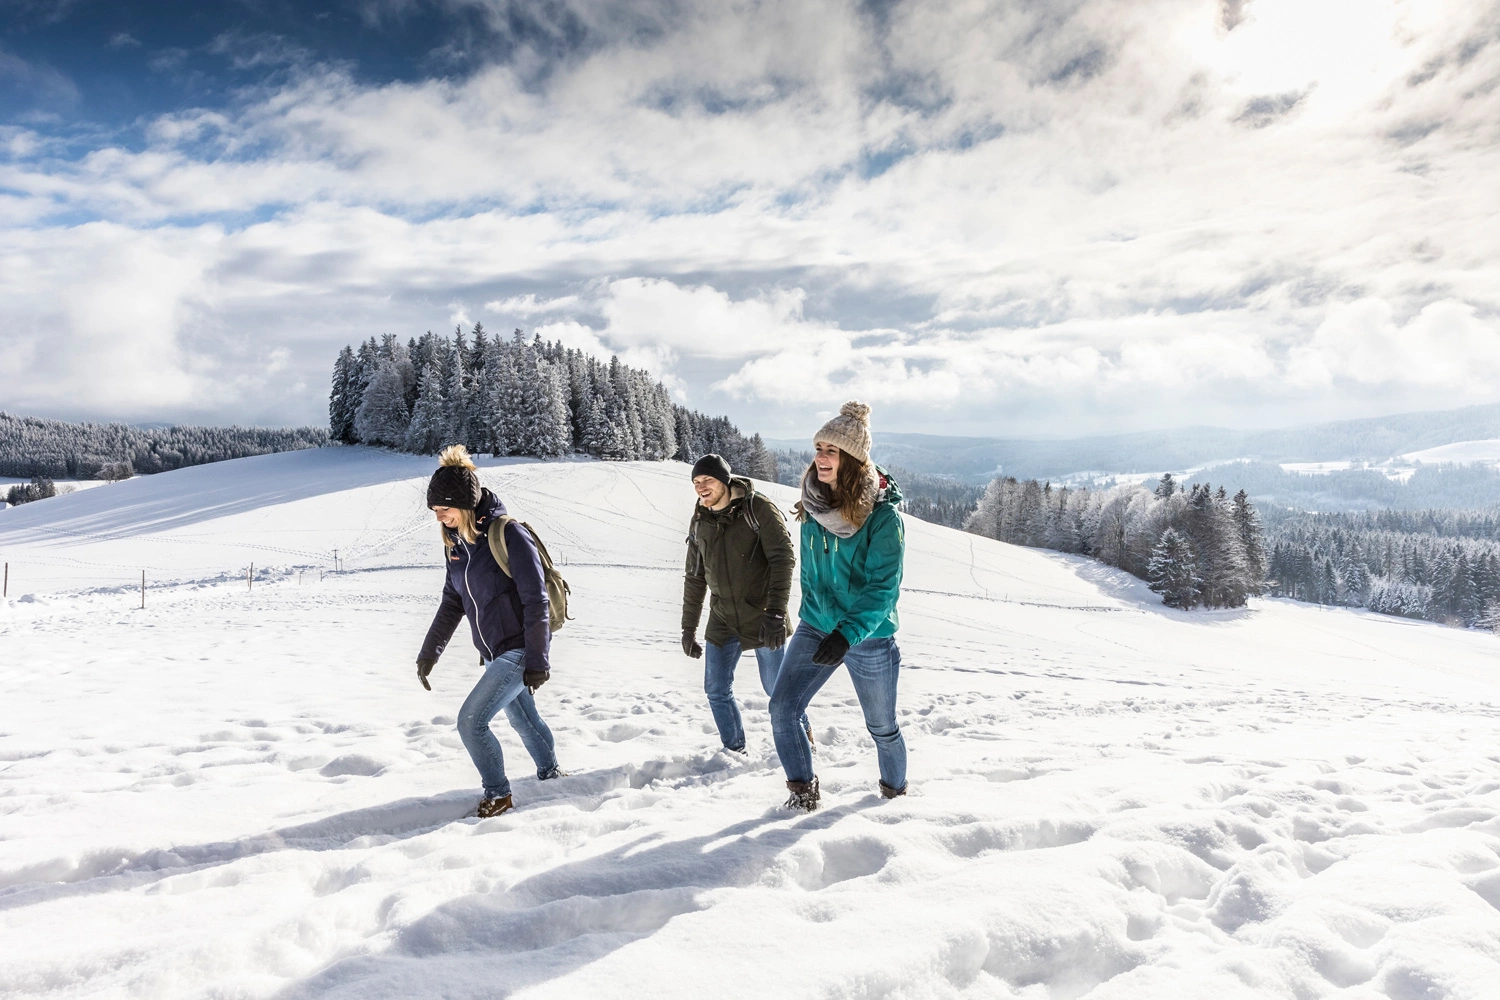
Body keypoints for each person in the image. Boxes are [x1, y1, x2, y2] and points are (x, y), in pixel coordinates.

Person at [769, 401, 907, 811]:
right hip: (816, 625)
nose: (821, 457)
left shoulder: (883, 518)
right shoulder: (813, 504)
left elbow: (883, 588)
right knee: (782, 708)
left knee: (881, 727)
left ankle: (894, 797)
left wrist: (847, 633)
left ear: (853, 459)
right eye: (818, 447)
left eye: (831, 450)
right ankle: (803, 793)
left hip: (867, 636)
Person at [414, 444, 562, 818]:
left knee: (471, 722)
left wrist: (537, 659)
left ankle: (498, 794)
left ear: (463, 503)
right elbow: (453, 602)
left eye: (444, 509)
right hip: (494, 652)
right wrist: (429, 653)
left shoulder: (508, 534)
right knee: (524, 719)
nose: (439, 518)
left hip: (518, 650)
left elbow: (536, 599)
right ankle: (552, 775)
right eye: (434, 511)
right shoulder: (457, 545)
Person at [681, 453, 807, 753]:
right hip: (722, 617)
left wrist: (776, 612)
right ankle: (734, 751)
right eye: (696, 482)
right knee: (715, 690)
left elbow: (783, 558)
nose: (701, 488)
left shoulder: (757, 508)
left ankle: (803, 738)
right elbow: (695, 576)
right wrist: (688, 629)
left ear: (724, 480)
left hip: (763, 615)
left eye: (707, 480)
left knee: (779, 693)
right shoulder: (700, 518)